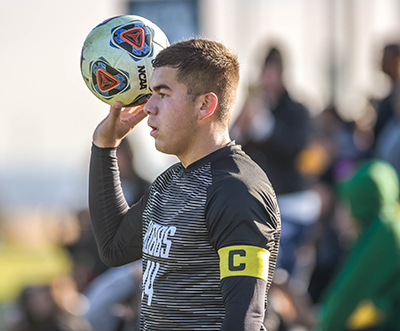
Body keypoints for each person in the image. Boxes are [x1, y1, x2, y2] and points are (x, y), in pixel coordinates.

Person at [88, 38, 281, 330]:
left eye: (163, 94)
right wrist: (105, 147)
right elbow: (114, 247)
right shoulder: (169, 182)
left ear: (204, 105)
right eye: (151, 93)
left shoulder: (237, 190)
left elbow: (245, 320)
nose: (148, 107)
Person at [231, 46, 320, 277]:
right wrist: (243, 123)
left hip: (291, 200)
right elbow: (233, 147)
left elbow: (295, 148)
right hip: (258, 202)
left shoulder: (297, 110)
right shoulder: (254, 106)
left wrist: (263, 123)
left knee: (283, 272)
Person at [317, 160, 400, 331]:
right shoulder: (388, 226)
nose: (339, 218)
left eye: (346, 205)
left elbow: (343, 304)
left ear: (361, 204)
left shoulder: (383, 235)